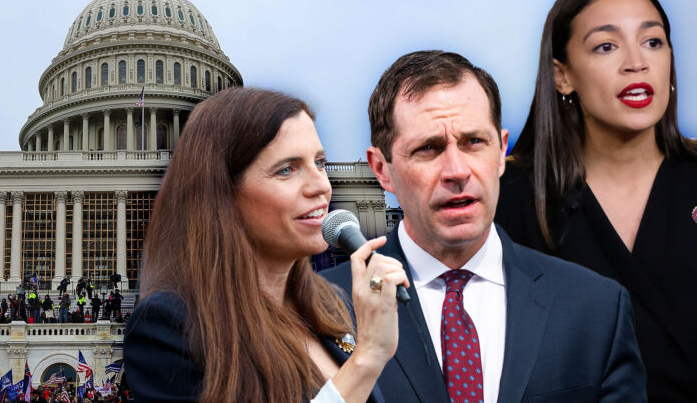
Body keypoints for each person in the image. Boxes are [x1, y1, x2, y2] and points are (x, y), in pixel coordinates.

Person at [323, 51, 646, 402]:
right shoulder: (318, 309)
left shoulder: (596, 309)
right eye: (428, 148)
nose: (457, 171)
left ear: (502, 150)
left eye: (474, 142)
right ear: (381, 169)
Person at [124, 87, 409, 403]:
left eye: (319, 162)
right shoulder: (170, 328)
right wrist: (366, 360)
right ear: (223, 195)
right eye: (287, 169)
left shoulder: (332, 305)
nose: (321, 186)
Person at [495, 0, 697, 402]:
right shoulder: (511, 198)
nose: (636, 63)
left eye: (653, 41)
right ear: (561, 76)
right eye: (606, 46)